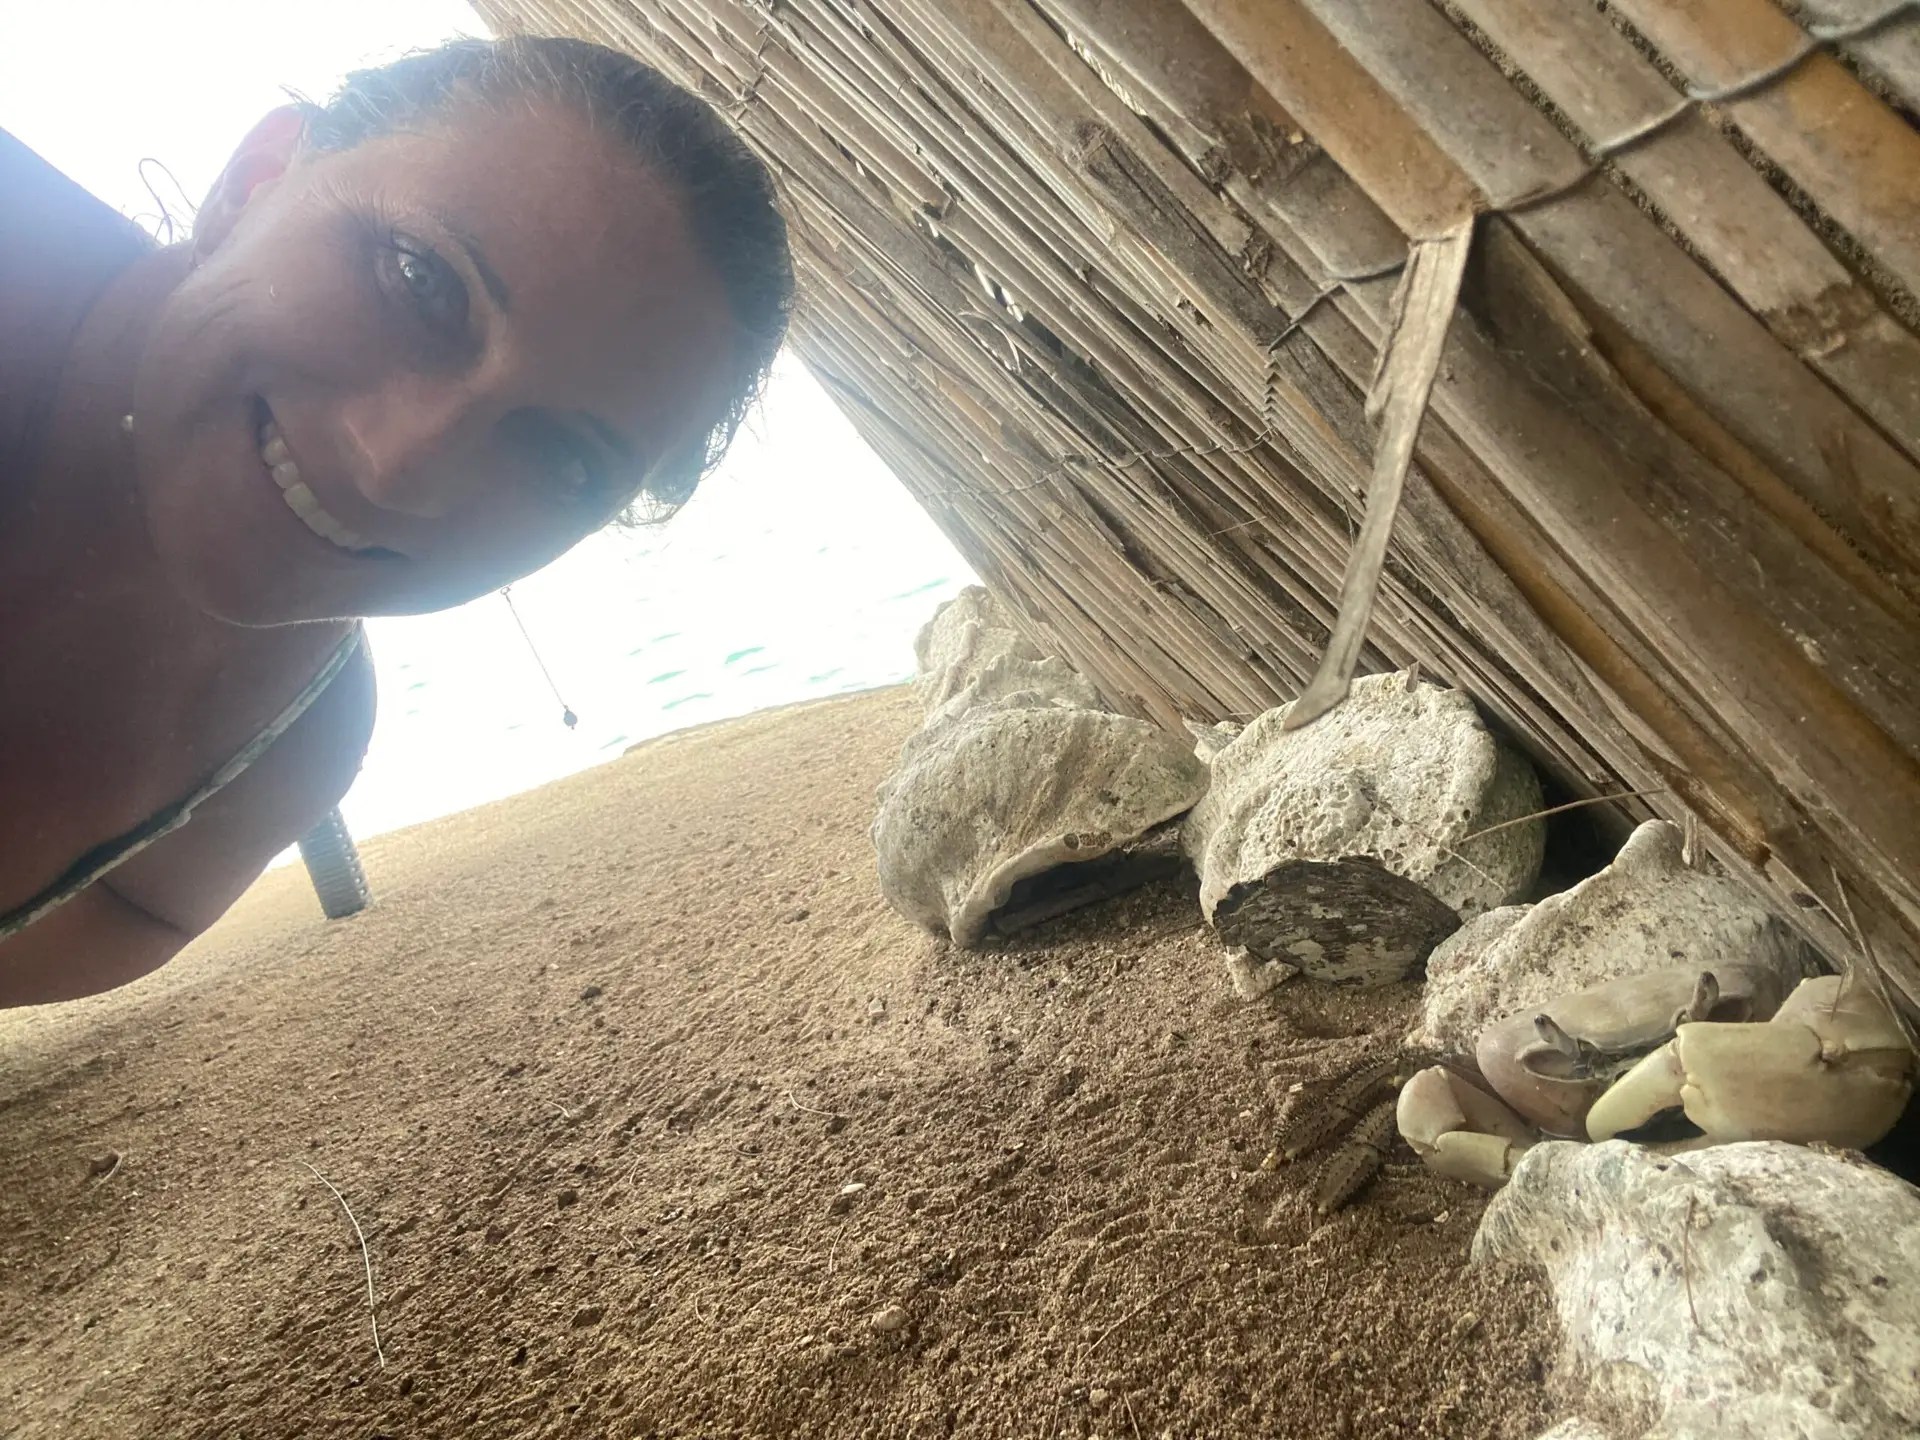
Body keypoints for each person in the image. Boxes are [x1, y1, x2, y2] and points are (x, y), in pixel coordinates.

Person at [0, 36, 794, 1005]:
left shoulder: (286, 752)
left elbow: (116, 930)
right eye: (421, 281)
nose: (398, 468)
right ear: (252, 183)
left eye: (563, 458)